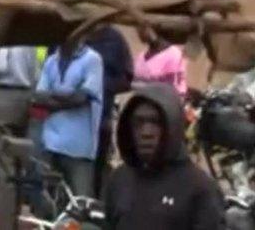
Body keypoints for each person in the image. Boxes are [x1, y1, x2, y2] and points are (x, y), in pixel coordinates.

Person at [103, 84, 223, 230]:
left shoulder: (201, 189)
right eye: (138, 122)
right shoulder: (119, 179)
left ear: (173, 126)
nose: (146, 132)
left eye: (156, 122)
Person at [32, 39, 104, 198]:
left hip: (79, 148)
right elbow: (38, 97)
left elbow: (82, 98)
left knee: (80, 204)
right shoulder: (51, 60)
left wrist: (52, 98)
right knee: (46, 204)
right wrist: (70, 95)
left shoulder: (93, 59)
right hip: (50, 143)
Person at [0, 46, 41, 230]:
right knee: (18, 168)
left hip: (0, 96)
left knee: (1, 171)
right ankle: (14, 219)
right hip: (26, 97)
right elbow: (36, 72)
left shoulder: (5, 36)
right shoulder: (29, 37)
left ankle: (4, 225)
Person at [85, 26, 134, 194]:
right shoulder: (69, 35)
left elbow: (126, 79)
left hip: (100, 120)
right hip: (65, 124)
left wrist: (99, 87)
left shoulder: (114, 39)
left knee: (96, 174)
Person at [132, 26, 187, 98]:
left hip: (165, 103)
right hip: (143, 102)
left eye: (143, 27)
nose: (138, 31)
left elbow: (170, 87)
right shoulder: (141, 56)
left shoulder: (173, 53)